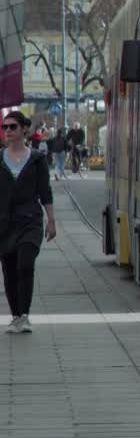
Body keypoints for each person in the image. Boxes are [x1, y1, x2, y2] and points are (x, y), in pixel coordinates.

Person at [0, 111, 55, 334]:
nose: (8, 132)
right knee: (9, 270)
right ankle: (15, 316)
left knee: (25, 263)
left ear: (24, 129)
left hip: (30, 220)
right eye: (5, 128)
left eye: (13, 127)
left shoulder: (36, 159)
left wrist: (51, 220)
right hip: (4, 223)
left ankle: (24, 315)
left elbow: (45, 192)